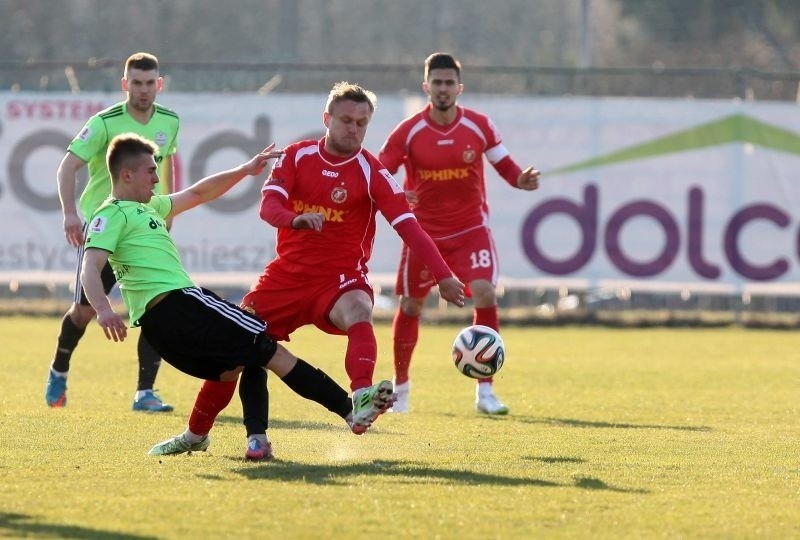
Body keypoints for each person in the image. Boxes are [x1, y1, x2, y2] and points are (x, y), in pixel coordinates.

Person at [155, 81, 466, 460]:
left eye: (362, 123)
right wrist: (296, 219)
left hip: (339, 277)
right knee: (235, 353)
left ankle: (362, 393)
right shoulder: (296, 157)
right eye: (347, 120)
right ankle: (195, 434)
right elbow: (268, 208)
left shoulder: (372, 171)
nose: (354, 129)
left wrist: (443, 274)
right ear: (327, 119)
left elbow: (409, 227)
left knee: (358, 310)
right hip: (284, 278)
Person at [82, 132, 364, 460]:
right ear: (126, 174)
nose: (157, 178)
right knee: (267, 345)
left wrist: (244, 169)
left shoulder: (151, 207)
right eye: (150, 171)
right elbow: (91, 264)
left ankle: (215, 438)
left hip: (162, 327)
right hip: (182, 303)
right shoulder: (111, 214)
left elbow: (199, 192)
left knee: (243, 359)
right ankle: (349, 411)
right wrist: (102, 309)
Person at [378, 52, 541, 415]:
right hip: (423, 234)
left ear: (459, 88)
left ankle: (485, 391)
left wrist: (521, 180)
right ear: (426, 87)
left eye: (449, 82)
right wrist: (397, 193)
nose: (443, 88)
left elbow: (506, 165)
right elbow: (379, 172)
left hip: (471, 230)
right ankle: (401, 390)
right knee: (410, 305)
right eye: (436, 82)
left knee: (484, 292)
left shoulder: (479, 125)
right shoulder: (408, 131)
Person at [46, 52, 180, 412]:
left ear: (159, 84)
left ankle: (144, 392)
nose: (143, 90)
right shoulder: (105, 123)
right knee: (84, 312)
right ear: (125, 84)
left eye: (150, 83)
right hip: (104, 225)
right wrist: (70, 213)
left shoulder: (170, 121)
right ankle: (59, 368)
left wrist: (167, 211)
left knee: (157, 304)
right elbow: (67, 167)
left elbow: (167, 165)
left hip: (144, 226)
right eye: (136, 82)